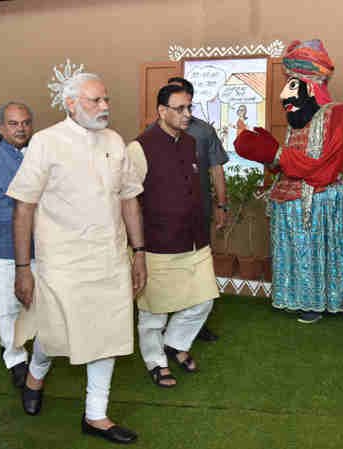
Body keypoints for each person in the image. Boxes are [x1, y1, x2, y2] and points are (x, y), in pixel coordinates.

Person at [8, 70, 144, 444]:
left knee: (109, 335)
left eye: (106, 100)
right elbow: (23, 208)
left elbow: (129, 198)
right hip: (62, 261)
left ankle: (96, 415)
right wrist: (23, 269)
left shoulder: (115, 141)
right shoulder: (46, 142)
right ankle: (36, 373)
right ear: (70, 104)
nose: (104, 107)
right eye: (95, 100)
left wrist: (140, 253)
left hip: (111, 258)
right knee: (55, 333)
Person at [234, 39, 343, 324]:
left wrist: (273, 152)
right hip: (293, 196)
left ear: (311, 85)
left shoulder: (336, 112)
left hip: (322, 198)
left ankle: (318, 302)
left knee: (314, 249)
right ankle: (296, 297)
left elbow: (324, 168)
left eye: (292, 85)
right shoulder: (298, 121)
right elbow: (288, 161)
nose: (284, 95)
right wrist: (264, 151)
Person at [126, 84, 220, 388]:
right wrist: (137, 248)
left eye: (189, 107)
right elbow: (127, 200)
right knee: (153, 312)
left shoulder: (192, 142)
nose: (187, 114)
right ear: (161, 112)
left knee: (204, 300)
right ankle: (155, 361)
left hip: (194, 240)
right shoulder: (139, 148)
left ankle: (176, 343)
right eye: (179, 108)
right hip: (156, 244)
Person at [0, 101, 50, 401]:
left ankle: (40, 356)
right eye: (14, 124)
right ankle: (16, 359)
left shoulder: (43, 156)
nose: (21, 129)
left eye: (26, 123)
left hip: (39, 246)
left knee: (40, 304)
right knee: (6, 308)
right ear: (1, 127)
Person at [166, 76, 228, 342]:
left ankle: (196, 323)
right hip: (166, 216)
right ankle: (167, 319)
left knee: (198, 269)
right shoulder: (153, 134)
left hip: (198, 213)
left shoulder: (204, 131)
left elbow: (217, 169)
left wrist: (222, 205)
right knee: (169, 268)